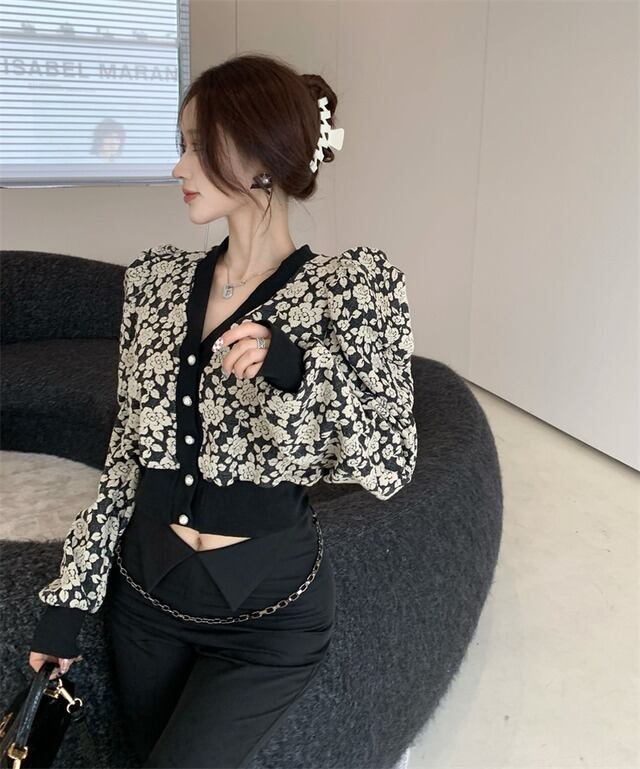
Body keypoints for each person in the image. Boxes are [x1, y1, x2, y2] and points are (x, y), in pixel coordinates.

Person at [28, 52, 418, 768]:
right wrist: (68, 601)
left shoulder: (347, 293)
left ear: (261, 155)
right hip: (147, 606)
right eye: (182, 145)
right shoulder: (155, 285)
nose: (178, 167)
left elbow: (390, 465)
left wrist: (298, 369)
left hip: (268, 621)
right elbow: (124, 462)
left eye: (197, 146)